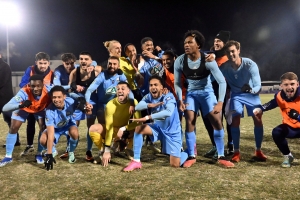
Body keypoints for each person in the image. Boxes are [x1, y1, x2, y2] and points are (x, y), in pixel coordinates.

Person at [174, 30, 234, 168]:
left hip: (207, 93)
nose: (186, 45)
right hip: (191, 94)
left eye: (190, 42)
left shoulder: (207, 60)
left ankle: (221, 156)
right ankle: (191, 156)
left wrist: (220, 103)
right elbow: (177, 83)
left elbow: (222, 82)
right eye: (185, 43)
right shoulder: (180, 60)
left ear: (198, 45)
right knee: (190, 121)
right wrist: (180, 100)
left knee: (217, 121)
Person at [122, 75, 188, 172]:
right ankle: (136, 161)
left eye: (156, 85)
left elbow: (168, 112)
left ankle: (188, 152)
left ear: (162, 87)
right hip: (158, 128)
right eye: (151, 85)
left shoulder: (168, 96)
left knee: (175, 164)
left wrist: (148, 117)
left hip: (172, 132)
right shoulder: (149, 96)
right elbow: (138, 106)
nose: (153, 87)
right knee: (139, 129)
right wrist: (149, 104)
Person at [220, 40, 267, 162]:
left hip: (251, 94)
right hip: (236, 95)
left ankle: (258, 150)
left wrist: (251, 90)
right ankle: (236, 152)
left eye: (233, 51)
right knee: (235, 120)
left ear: (238, 51)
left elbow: (258, 85)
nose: (231, 54)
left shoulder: (250, 65)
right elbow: (213, 76)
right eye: (228, 52)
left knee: (257, 118)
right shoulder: (224, 67)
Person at [0, 75, 52, 167]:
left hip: (39, 109)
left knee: (43, 127)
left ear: (43, 85)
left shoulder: (48, 89)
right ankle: (8, 156)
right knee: (13, 127)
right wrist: (20, 105)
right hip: (23, 108)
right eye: (32, 86)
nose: (35, 88)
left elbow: (63, 89)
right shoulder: (23, 92)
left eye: (38, 86)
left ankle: (39, 153)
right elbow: (5, 108)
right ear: (29, 85)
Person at [89, 81, 141, 166]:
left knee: (140, 128)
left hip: (124, 131)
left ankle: (128, 148)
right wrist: (107, 150)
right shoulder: (110, 105)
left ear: (128, 91)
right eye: (118, 89)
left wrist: (123, 128)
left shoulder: (134, 102)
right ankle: (103, 151)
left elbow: (138, 122)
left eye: (123, 89)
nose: (120, 91)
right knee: (93, 128)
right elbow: (109, 129)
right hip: (112, 130)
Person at [40, 86, 92, 170]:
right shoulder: (49, 111)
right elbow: (51, 133)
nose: (56, 100)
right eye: (54, 97)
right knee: (43, 140)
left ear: (64, 96)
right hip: (56, 129)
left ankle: (71, 152)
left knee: (75, 133)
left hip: (68, 125)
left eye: (59, 97)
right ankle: (53, 151)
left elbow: (88, 112)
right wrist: (49, 154)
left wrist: (88, 108)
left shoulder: (71, 102)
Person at [255, 72, 299, 167]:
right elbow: (272, 103)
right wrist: (260, 109)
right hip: (291, 128)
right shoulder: (279, 96)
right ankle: (288, 156)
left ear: (297, 84)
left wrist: (298, 117)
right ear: (281, 86)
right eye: (286, 84)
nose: (289, 87)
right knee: (277, 132)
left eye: (292, 84)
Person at [203, 31, 233, 159]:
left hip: (226, 92)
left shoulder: (228, 58)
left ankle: (230, 145)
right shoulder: (210, 56)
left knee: (228, 118)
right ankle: (215, 145)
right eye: (215, 41)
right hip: (211, 92)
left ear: (225, 44)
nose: (216, 43)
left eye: (219, 41)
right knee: (210, 119)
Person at [18, 52, 53, 156]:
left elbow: (54, 88)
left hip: (43, 104)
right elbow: (22, 84)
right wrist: (33, 87)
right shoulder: (30, 69)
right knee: (31, 123)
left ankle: (41, 149)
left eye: (44, 63)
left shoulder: (52, 73)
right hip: (31, 103)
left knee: (43, 126)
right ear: (36, 62)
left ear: (48, 63)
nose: (42, 65)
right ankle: (29, 146)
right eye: (40, 63)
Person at [69, 51, 102, 161]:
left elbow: (101, 68)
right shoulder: (75, 72)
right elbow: (70, 89)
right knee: (74, 125)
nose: (83, 61)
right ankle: (70, 150)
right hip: (79, 101)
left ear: (91, 61)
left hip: (92, 100)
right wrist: (75, 90)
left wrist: (93, 66)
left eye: (86, 59)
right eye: (81, 59)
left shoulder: (96, 70)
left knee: (90, 125)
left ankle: (89, 150)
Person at [0, 54, 20, 147]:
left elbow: (2, 81)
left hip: (5, 99)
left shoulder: (4, 66)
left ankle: (16, 141)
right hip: (4, 99)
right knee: (10, 120)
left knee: (10, 121)